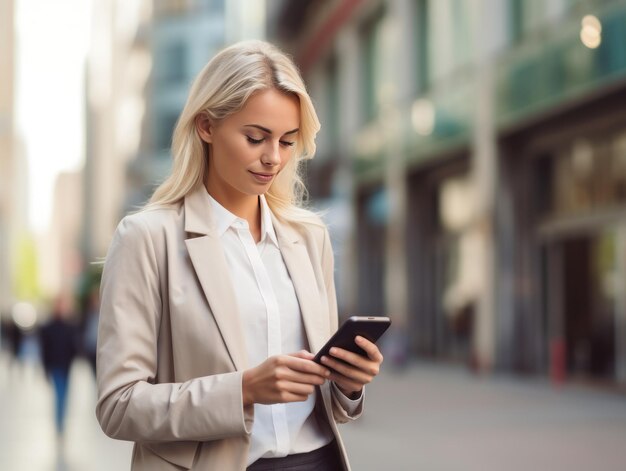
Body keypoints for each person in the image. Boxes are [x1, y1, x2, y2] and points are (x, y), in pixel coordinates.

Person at [96, 40, 384, 471]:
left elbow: (327, 402)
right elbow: (119, 406)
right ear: (206, 126)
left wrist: (348, 384)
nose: (273, 158)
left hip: (317, 461)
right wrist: (243, 390)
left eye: (288, 142)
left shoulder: (309, 237)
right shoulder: (146, 238)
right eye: (255, 138)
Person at [40, 296, 78, 436]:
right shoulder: (48, 327)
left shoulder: (70, 326)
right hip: (55, 366)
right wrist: (45, 368)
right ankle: (59, 424)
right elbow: (45, 349)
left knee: (65, 395)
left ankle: (61, 422)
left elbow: (73, 346)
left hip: (66, 366)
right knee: (60, 395)